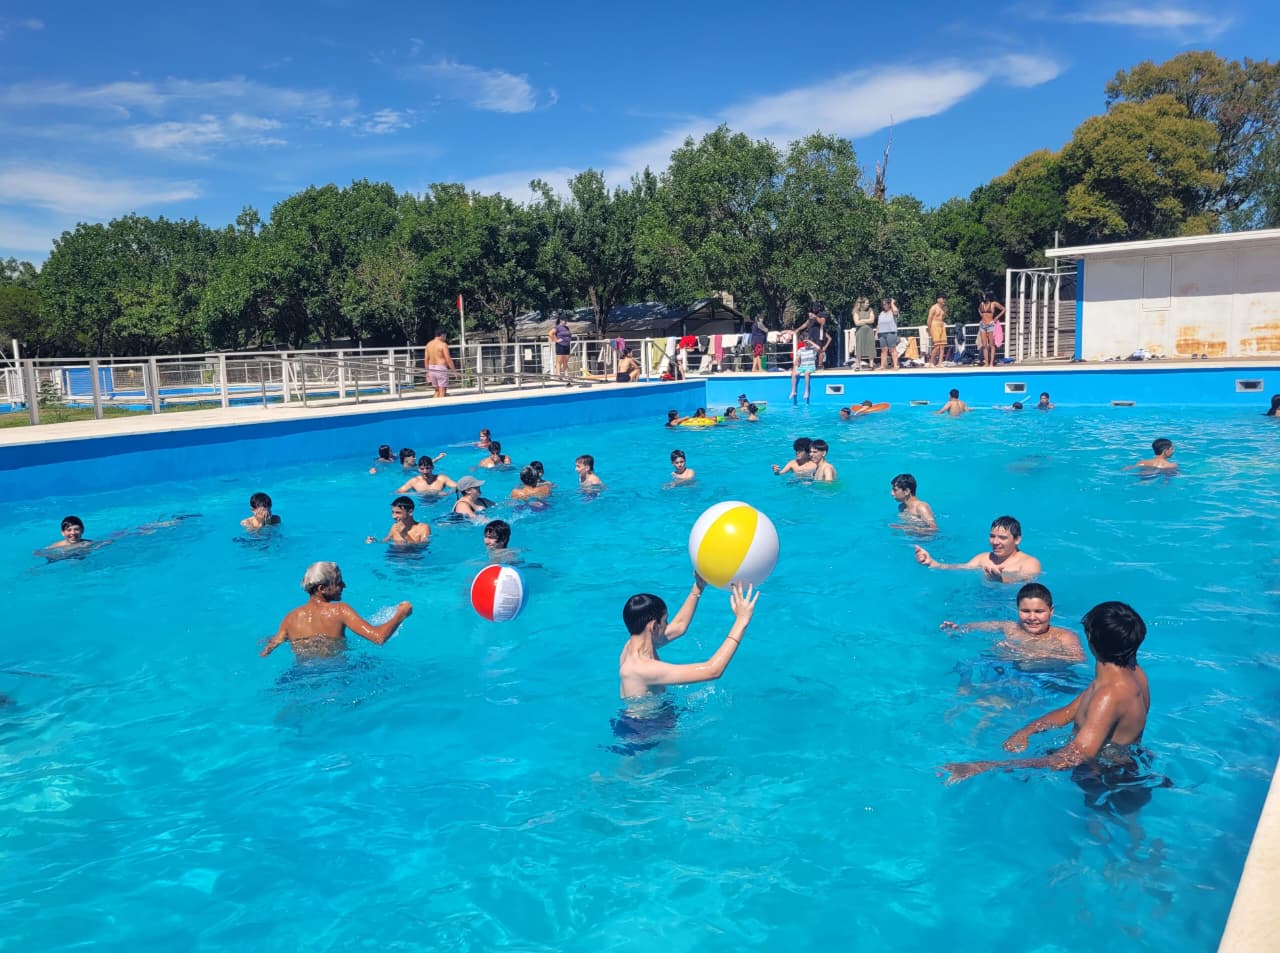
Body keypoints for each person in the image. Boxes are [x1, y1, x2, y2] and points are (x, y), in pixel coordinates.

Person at [940, 601, 1150, 784]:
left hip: (1106, 779)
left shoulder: (1109, 695)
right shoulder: (1130, 673)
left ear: (1090, 639)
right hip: (1123, 765)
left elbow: (1073, 758)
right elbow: (1070, 711)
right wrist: (1026, 731)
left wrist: (985, 766)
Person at [618, 576, 759, 698]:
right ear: (654, 627)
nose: (668, 625)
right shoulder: (642, 669)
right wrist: (741, 621)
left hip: (652, 714)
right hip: (650, 722)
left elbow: (679, 626)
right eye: (665, 621)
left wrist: (698, 587)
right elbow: (713, 671)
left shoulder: (633, 644)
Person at [260, 562, 412, 660]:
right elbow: (379, 638)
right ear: (322, 588)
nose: (344, 585)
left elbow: (268, 649)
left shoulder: (291, 617)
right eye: (338, 582)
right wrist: (401, 614)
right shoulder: (340, 610)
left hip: (300, 673)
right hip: (336, 672)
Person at [941, 583, 1085, 664]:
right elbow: (977, 627)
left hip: (1049, 679)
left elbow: (1078, 660)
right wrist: (958, 629)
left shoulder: (1064, 637)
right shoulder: (1009, 627)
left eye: (1039, 611)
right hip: (1012, 672)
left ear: (1051, 611)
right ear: (1017, 610)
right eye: (1025, 611)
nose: (1032, 617)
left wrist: (1028, 654)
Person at [914, 515, 1041, 582]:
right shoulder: (983, 558)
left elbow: (1028, 589)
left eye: (1002, 538)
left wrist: (1000, 580)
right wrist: (933, 563)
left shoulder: (1029, 563)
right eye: (992, 536)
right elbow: (961, 568)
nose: (995, 542)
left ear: (1017, 539)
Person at [366, 496, 431, 545]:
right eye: (393, 512)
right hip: (393, 555)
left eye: (398, 513)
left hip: (412, 557)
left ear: (410, 512)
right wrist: (375, 541)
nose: (393, 516)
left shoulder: (423, 528)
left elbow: (423, 548)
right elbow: (385, 541)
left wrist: (404, 535)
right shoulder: (395, 527)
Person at [424, 329, 456, 398]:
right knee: (442, 391)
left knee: (437, 391)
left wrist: (427, 372)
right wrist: (454, 371)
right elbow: (448, 359)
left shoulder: (428, 344)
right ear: (442, 335)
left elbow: (426, 359)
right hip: (441, 369)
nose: (445, 338)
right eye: (445, 336)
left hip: (431, 368)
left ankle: (434, 404)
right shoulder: (443, 345)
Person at [977, 292, 1006, 368]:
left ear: (988, 297)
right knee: (984, 345)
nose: (983, 297)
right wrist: (982, 316)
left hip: (990, 325)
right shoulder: (981, 304)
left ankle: (991, 363)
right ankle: (986, 363)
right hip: (983, 325)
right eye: (983, 296)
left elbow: (1004, 309)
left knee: (992, 345)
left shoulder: (993, 304)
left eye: (985, 296)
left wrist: (997, 317)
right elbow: (979, 310)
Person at [852, 297, 876, 369]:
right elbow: (857, 323)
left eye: (868, 303)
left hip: (869, 332)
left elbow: (872, 320)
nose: (868, 304)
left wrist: (862, 320)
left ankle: (871, 365)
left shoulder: (870, 310)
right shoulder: (856, 311)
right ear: (862, 303)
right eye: (867, 303)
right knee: (859, 347)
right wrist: (867, 321)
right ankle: (857, 365)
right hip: (860, 332)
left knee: (870, 347)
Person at [877, 297, 900, 370]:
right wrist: (876, 333)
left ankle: (895, 365)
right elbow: (879, 324)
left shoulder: (892, 312)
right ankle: (882, 366)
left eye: (885, 304)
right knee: (883, 350)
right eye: (883, 304)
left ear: (889, 304)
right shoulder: (881, 313)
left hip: (891, 332)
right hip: (882, 333)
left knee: (892, 349)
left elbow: (896, 311)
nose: (884, 306)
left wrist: (892, 303)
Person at [927, 296, 948, 367]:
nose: (944, 300)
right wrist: (929, 329)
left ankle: (940, 363)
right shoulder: (934, 307)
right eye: (942, 299)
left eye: (944, 299)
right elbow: (929, 319)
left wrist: (945, 311)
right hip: (935, 325)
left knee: (942, 346)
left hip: (941, 325)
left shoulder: (943, 308)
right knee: (937, 346)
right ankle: (931, 363)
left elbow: (942, 317)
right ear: (938, 299)